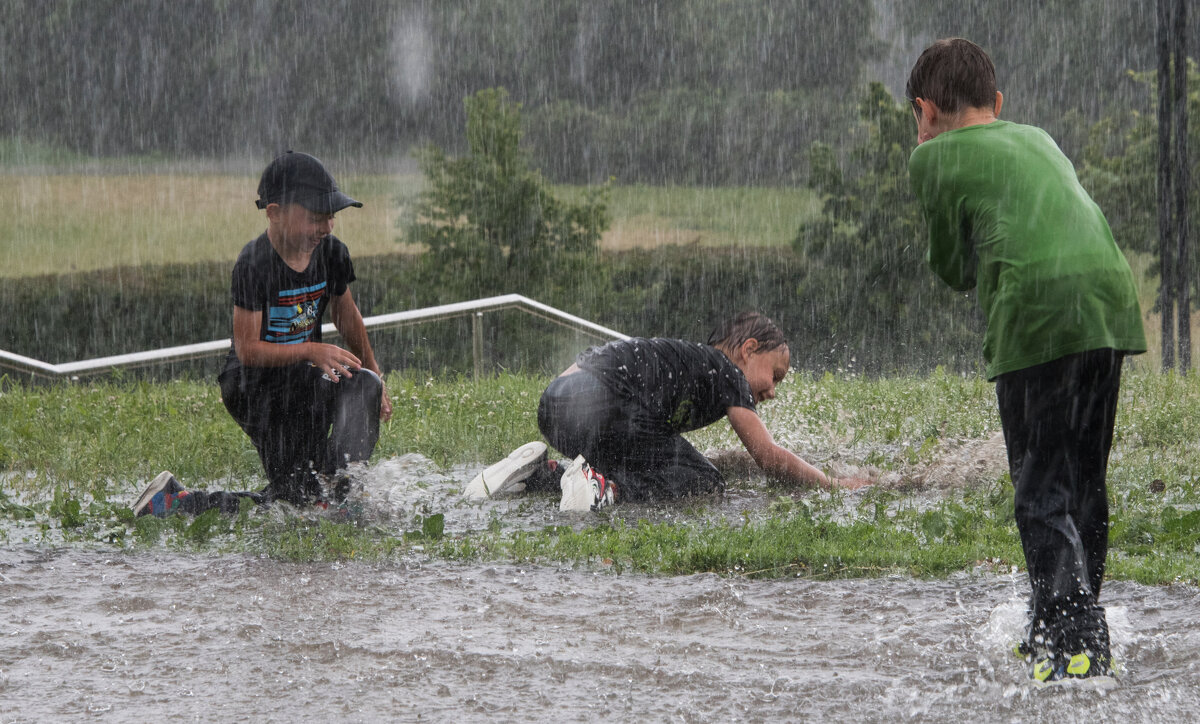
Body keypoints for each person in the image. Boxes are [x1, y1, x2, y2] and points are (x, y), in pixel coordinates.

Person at [905, 39, 1146, 686]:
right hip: (1108, 304)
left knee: (1040, 488)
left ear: (925, 110)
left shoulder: (933, 159)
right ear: (999, 103)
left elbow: (953, 270)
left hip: (1036, 314)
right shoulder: (1036, 136)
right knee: (1085, 483)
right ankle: (1062, 622)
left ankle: (1074, 640)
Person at [132, 151, 393, 517]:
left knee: (362, 384)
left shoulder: (331, 253)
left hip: (307, 376)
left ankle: (341, 493)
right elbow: (248, 349)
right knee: (293, 499)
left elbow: (346, 315)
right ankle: (176, 503)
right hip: (255, 388)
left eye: (331, 216)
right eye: (316, 217)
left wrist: (375, 375)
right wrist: (310, 350)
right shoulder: (253, 264)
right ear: (274, 213)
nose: (327, 227)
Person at [464, 312, 869, 511]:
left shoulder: (683, 361)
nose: (773, 392)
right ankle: (609, 489)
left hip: (557, 404)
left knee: (643, 455)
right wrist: (831, 485)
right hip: (602, 403)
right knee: (704, 479)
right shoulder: (726, 369)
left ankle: (536, 474)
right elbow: (767, 456)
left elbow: (580, 374)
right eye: (775, 375)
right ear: (748, 350)